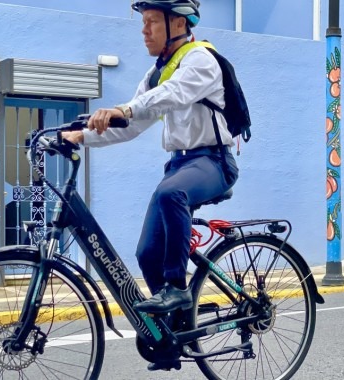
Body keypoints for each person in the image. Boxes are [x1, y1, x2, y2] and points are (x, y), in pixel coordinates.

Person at [63, 0, 238, 329]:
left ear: (178, 24)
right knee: (147, 254)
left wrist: (124, 108)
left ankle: (177, 288)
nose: (144, 31)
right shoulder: (158, 71)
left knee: (171, 194)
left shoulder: (201, 59)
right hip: (179, 167)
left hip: (214, 162)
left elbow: (173, 94)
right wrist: (80, 137)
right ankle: (174, 330)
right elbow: (132, 124)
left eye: (152, 22)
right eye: (143, 23)